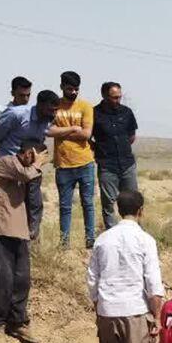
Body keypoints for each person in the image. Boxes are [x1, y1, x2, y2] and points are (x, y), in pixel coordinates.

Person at [86, 190, 163, 343]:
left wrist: (99, 307)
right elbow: (153, 283)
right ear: (141, 211)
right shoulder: (145, 240)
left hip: (108, 311)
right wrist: (157, 316)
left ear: (118, 209)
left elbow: (92, 279)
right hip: (135, 311)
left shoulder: (102, 239)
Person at [0, 147, 44, 343]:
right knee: (1, 280)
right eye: (34, 156)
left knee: (21, 280)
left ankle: (18, 322)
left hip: (19, 231)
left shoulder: (26, 172)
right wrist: (36, 165)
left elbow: (33, 193)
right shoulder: (5, 162)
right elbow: (27, 174)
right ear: (28, 153)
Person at [0, 89, 61, 242]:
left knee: (34, 205)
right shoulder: (16, 114)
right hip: (11, 168)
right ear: (40, 105)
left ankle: (31, 241)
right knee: (11, 206)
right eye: (51, 110)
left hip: (32, 166)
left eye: (56, 110)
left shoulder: (50, 119)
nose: (54, 114)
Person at [51, 71, 97, 249]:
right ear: (62, 86)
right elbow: (49, 131)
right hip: (63, 165)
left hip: (85, 163)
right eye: (70, 89)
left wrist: (62, 131)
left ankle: (90, 239)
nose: (73, 92)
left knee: (88, 203)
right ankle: (64, 243)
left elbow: (86, 134)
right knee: (65, 206)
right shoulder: (55, 107)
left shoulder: (86, 106)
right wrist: (73, 129)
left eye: (76, 89)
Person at [91, 81, 139, 231]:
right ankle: (112, 234)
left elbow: (131, 136)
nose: (118, 100)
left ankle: (134, 233)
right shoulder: (94, 113)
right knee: (109, 204)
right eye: (114, 97)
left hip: (127, 164)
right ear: (104, 96)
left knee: (133, 201)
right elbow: (88, 136)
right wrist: (100, 150)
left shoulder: (127, 112)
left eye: (119, 97)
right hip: (107, 166)